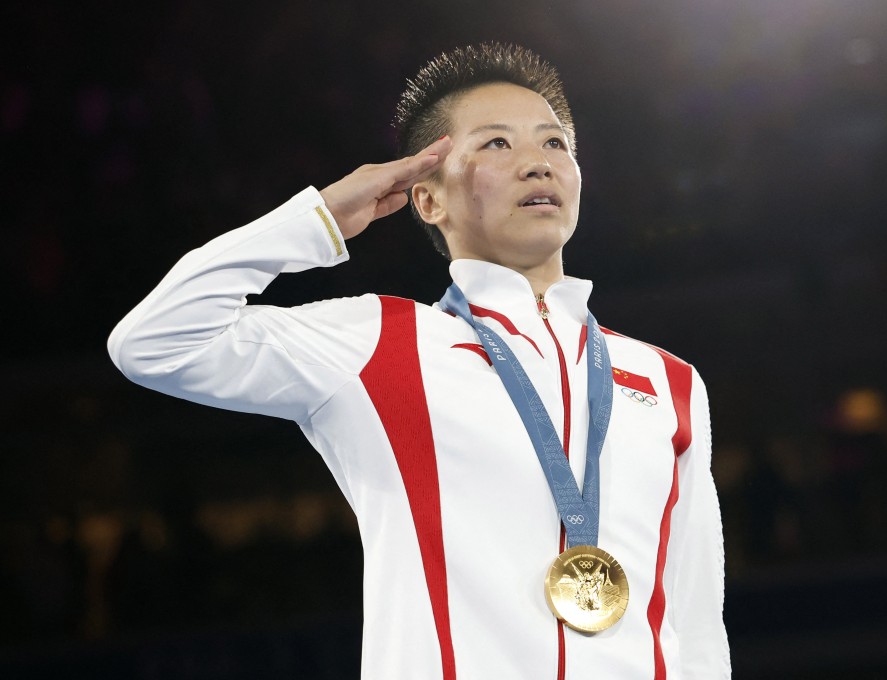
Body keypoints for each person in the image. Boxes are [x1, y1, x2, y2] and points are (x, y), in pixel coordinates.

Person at [109, 43, 730, 679]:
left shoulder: (668, 381)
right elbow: (154, 342)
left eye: (554, 145)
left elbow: (697, 621)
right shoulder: (381, 344)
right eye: (495, 144)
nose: (537, 165)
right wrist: (318, 219)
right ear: (426, 199)